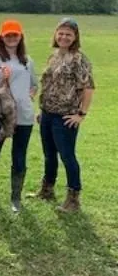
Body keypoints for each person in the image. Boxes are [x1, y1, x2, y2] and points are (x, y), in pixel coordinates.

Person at [0, 20, 38, 213]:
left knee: (19, 156)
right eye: (8, 35)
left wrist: (30, 95)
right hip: (1, 115)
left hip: (24, 117)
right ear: (2, 37)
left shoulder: (27, 61)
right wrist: (4, 77)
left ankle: (15, 198)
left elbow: (34, 85)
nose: (12, 38)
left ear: (20, 37)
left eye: (15, 35)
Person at [36, 17, 94, 212]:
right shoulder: (54, 56)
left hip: (65, 117)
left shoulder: (79, 59)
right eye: (61, 33)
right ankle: (47, 189)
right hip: (47, 114)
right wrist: (41, 110)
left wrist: (81, 114)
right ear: (55, 34)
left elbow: (88, 88)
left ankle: (73, 199)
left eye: (68, 34)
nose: (64, 37)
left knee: (67, 156)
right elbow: (48, 85)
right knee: (49, 155)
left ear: (75, 36)